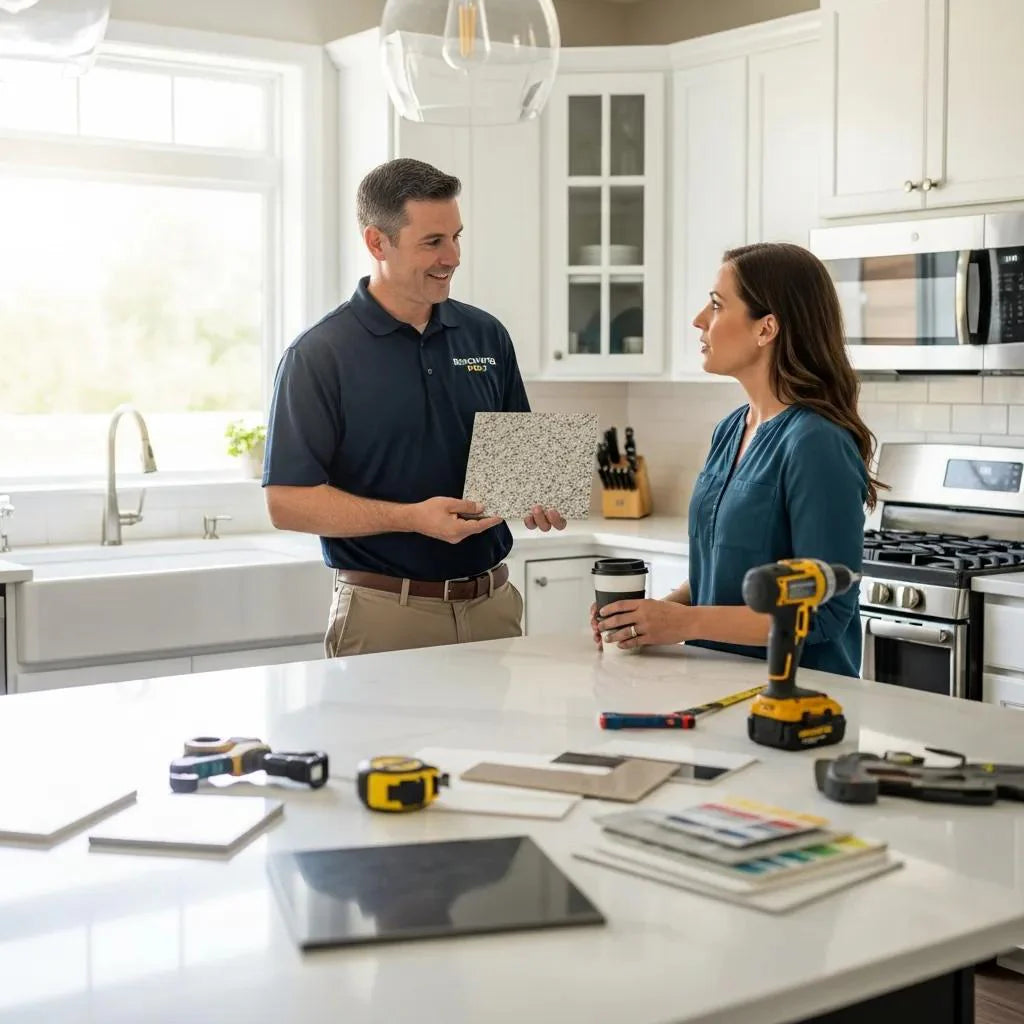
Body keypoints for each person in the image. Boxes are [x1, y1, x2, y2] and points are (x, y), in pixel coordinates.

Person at [264, 157, 565, 657]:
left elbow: (522, 469)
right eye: (433, 242)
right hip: (386, 616)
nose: (453, 257)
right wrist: (413, 518)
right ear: (376, 242)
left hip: (494, 607)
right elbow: (286, 503)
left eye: (457, 237)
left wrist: (537, 493)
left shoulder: (487, 333)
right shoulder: (318, 354)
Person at [592, 242, 879, 678]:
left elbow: (823, 614)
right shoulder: (731, 429)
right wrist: (644, 618)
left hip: (800, 697)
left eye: (716, 305)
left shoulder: (816, 443)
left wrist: (682, 623)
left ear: (766, 329)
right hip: (716, 683)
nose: (699, 320)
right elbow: (718, 574)